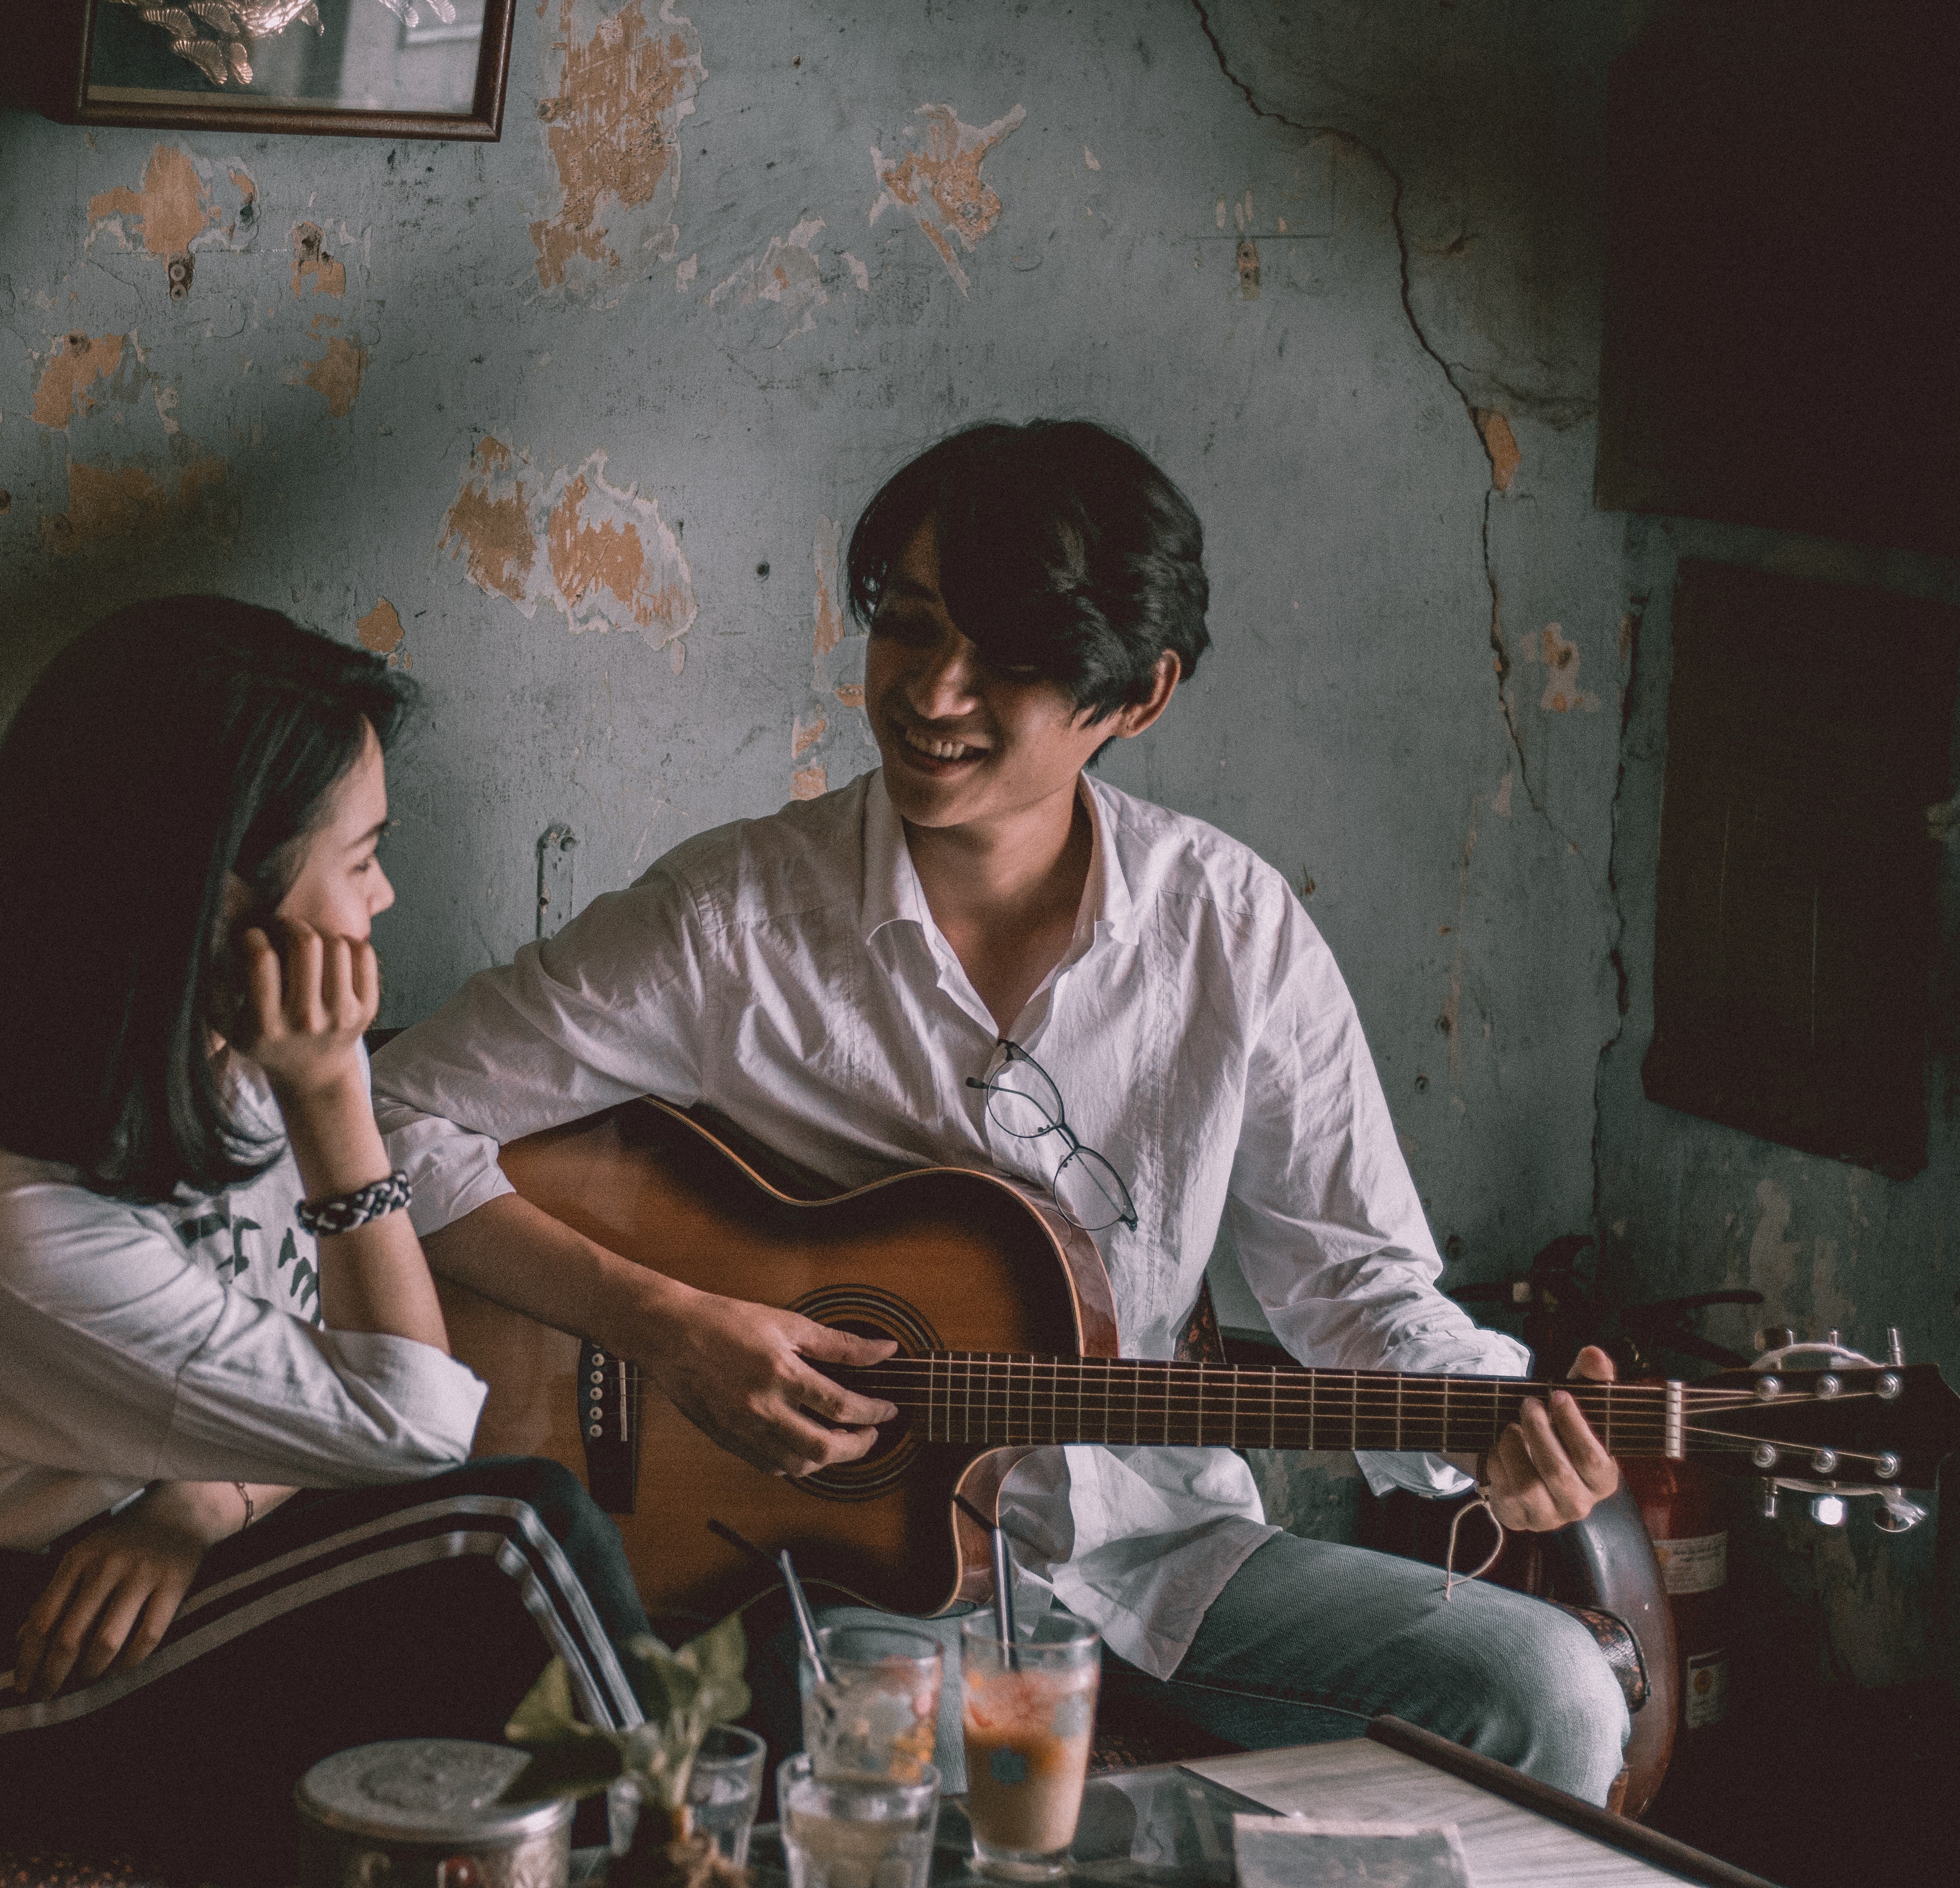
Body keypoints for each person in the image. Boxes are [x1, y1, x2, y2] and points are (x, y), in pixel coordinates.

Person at [372, 422, 1633, 1802]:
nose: (934, 694)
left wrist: (1485, 1421)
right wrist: (669, 1329)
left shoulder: (1232, 930)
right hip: (848, 1582)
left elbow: (1355, 1287)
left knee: (1547, 1692)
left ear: (1135, 698)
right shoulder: (733, 924)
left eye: (1014, 664)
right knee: (921, 1797)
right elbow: (392, 1118)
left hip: (1167, 1562)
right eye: (909, 630)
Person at [0, 597, 647, 1878]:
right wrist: (334, 1098)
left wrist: (206, 1498)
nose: (388, 893)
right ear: (220, 888)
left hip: (198, 1559)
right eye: (363, 851)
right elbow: (419, 1429)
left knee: (764, 1643)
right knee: (511, 1534)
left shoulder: (218, 1043)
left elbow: (361, 1389)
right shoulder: (9, 1218)